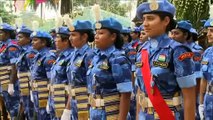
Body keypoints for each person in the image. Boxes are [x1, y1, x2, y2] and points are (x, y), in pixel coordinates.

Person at [135, 0, 196, 120]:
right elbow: (140, 91)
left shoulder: (177, 50)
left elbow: (189, 96)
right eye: (144, 19)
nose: (145, 24)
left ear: (166, 21)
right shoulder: (142, 50)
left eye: (151, 18)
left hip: (168, 115)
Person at [86, 17, 132, 120]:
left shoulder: (117, 58)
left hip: (111, 114)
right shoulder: (96, 57)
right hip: (95, 113)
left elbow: (125, 94)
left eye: (101, 33)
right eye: (96, 33)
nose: (96, 37)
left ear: (113, 36)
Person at [61, 20, 95, 120]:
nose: (70, 38)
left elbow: (92, 85)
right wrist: (67, 109)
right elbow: (73, 86)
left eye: (73, 35)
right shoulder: (73, 55)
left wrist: (90, 109)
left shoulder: (89, 55)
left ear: (84, 37)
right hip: (74, 103)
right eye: (70, 35)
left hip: (85, 104)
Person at [47, 26, 73, 120]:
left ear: (66, 41)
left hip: (64, 100)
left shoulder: (70, 56)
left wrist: (68, 109)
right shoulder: (60, 56)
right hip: (55, 98)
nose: (55, 40)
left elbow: (73, 85)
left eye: (57, 37)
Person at [30, 30, 56, 120]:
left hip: (44, 94)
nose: (32, 42)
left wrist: (50, 99)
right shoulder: (38, 56)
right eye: (32, 40)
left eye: (35, 40)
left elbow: (51, 80)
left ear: (43, 42)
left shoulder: (49, 57)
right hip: (37, 92)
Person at [0, 23, 21, 120]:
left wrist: (11, 84)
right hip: (4, 79)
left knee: (14, 107)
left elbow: (14, 65)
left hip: (10, 81)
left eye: (1, 32)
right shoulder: (3, 46)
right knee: (8, 105)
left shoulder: (12, 46)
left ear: (7, 34)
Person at [16, 25, 37, 120]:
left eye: (21, 37)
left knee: (31, 112)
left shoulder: (30, 53)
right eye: (17, 36)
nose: (18, 39)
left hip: (29, 87)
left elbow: (33, 72)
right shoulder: (22, 51)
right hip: (23, 86)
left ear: (28, 39)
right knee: (26, 111)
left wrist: (32, 90)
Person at [199, 18, 213, 120]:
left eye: (212, 31)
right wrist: (201, 103)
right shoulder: (208, 52)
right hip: (209, 99)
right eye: (208, 31)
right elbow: (203, 78)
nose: (208, 34)